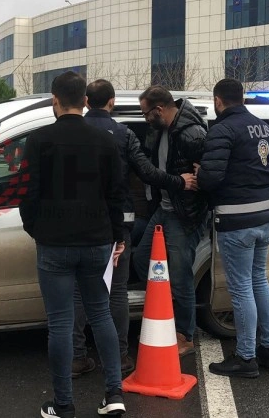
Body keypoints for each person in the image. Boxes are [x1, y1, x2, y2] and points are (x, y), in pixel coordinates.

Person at [19, 71, 126, 418]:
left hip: (54, 244)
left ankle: (63, 404)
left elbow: (28, 194)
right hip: (97, 241)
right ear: (85, 101)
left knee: (61, 323)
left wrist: (36, 229)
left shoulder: (39, 141)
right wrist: (118, 236)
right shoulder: (105, 141)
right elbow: (116, 195)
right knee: (101, 314)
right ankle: (114, 394)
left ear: (55, 100)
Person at [72, 79, 188, 379]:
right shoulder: (123, 134)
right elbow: (147, 173)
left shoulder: (71, 132)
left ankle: (77, 356)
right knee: (117, 291)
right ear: (111, 102)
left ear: (87, 102)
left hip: (79, 223)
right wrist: (179, 181)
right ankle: (120, 356)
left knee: (80, 292)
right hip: (117, 223)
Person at [196, 78, 269, 378]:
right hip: (264, 217)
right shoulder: (264, 127)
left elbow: (210, 179)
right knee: (258, 280)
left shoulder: (222, 130)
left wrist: (201, 172)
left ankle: (246, 357)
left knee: (242, 287)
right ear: (242, 98)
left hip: (236, 221)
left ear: (218, 101)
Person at [133, 85, 208, 357]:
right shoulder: (161, 130)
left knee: (180, 275)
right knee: (142, 259)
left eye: (146, 113)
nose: (145, 119)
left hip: (184, 214)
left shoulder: (192, 133)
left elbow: (211, 175)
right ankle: (164, 313)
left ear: (159, 109)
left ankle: (185, 335)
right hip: (164, 208)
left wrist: (201, 177)